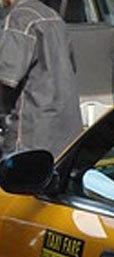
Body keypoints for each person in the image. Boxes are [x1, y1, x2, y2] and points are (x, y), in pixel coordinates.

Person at [0, 0, 82, 158]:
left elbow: (6, 79)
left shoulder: (19, 20)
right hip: (66, 136)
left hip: (30, 135)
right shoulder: (54, 18)